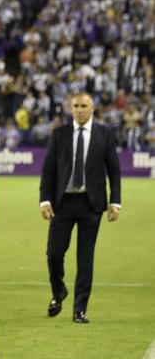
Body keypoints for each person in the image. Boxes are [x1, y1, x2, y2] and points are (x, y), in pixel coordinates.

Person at [39, 92, 121, 323]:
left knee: (85, 259)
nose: (79, 110)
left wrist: (115, 201)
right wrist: (44, 200)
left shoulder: (105, 134)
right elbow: (48, 169)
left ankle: (80, 309)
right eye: (75, 106)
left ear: (92, 108)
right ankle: (59, 292)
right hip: (62, 204)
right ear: (70, 107)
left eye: (84, 106)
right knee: (54, 254)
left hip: (91, 204)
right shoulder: (59, 134)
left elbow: (113, 170)